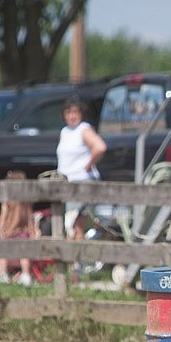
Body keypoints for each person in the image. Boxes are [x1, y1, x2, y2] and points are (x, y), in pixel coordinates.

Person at [57, 96, 107, 240]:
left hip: (82, 182)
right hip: (67, 183)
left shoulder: (83, 129)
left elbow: (100, 147)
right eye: (68, 112)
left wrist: (88, 165)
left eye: (75, 112)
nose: (72, 116)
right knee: (68, 226)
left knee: (77, 224)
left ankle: (79, 260)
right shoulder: (65, 131)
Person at [0, 170, 38, 285]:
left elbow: (3, 216)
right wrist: (32, 231)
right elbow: (30, 217)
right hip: (23, 232)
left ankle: (3, 275)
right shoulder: (26, 200)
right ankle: (26, 275)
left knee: (3, 254)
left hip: (9, 231)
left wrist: (0, 231)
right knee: (24, 254)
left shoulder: (8, 200)